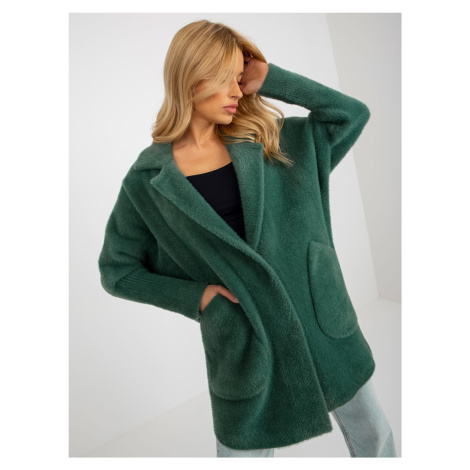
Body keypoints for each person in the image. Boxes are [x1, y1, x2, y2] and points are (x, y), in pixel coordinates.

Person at [98, 19, 397, 457]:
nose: (237, 91)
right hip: (245, 338)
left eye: (240, 78)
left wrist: (271, 78)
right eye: (225, 78)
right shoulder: (148, 180)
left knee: (374, 434)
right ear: (190, 78)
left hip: (321, 318)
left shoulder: (276, 141)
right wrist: (199, 297)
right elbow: (117, 270)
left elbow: (351, 114)